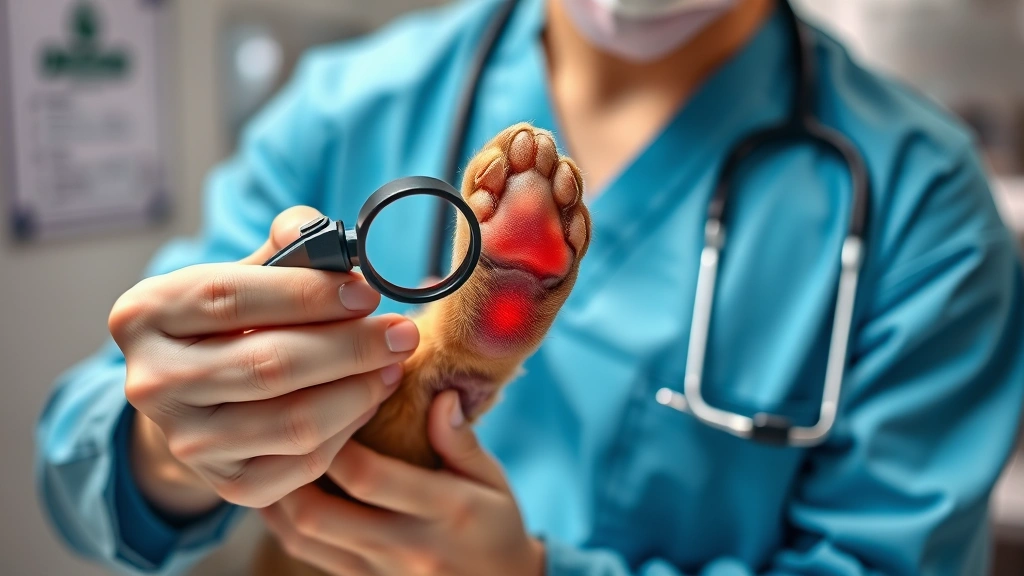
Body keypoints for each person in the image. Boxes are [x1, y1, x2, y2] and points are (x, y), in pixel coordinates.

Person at [35, 0, 1024, 574]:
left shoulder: (920, 203)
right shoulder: (349, 103)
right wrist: (168, 440)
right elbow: (79, 457)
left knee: (388, 388)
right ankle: (438, 373)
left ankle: (435, 375)